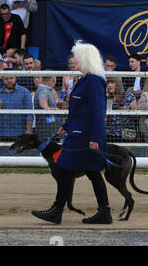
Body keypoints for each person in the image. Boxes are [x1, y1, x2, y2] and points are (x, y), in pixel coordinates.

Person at [31, 40, 113, 225]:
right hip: (77, 133)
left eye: (76, 56)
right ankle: (102, 212)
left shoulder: (93, 81)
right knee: (88, 172)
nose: (73, 60)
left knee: (69, 169)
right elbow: (78, 110)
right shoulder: (84, 80)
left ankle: (58, 210)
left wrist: (95, 138)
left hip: (84, 136)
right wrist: (66, 125)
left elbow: (98, 112)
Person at [0, 68, 33, 142]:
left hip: (19, 133)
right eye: (6, 78)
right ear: (2, 79)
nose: (9, 81)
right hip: (0, 134)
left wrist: (29, 133)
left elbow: (29, 114)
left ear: (15, 78)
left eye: (11, 78)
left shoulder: (24, 92)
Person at [105, 77, 137, 142]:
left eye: (112, 82)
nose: (109, 85)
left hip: (125, 134)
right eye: (108, 83)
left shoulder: (128, 96)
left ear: (118, 84)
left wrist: (127, 111)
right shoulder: (105, 98)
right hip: (109, 134)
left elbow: (136, 116)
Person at [33, 75, 63, 139]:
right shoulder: (43, 90)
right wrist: (55, 109)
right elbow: (43, 104)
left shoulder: (48, 90)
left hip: (51, 132)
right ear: (53, 79)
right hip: (47, 134)